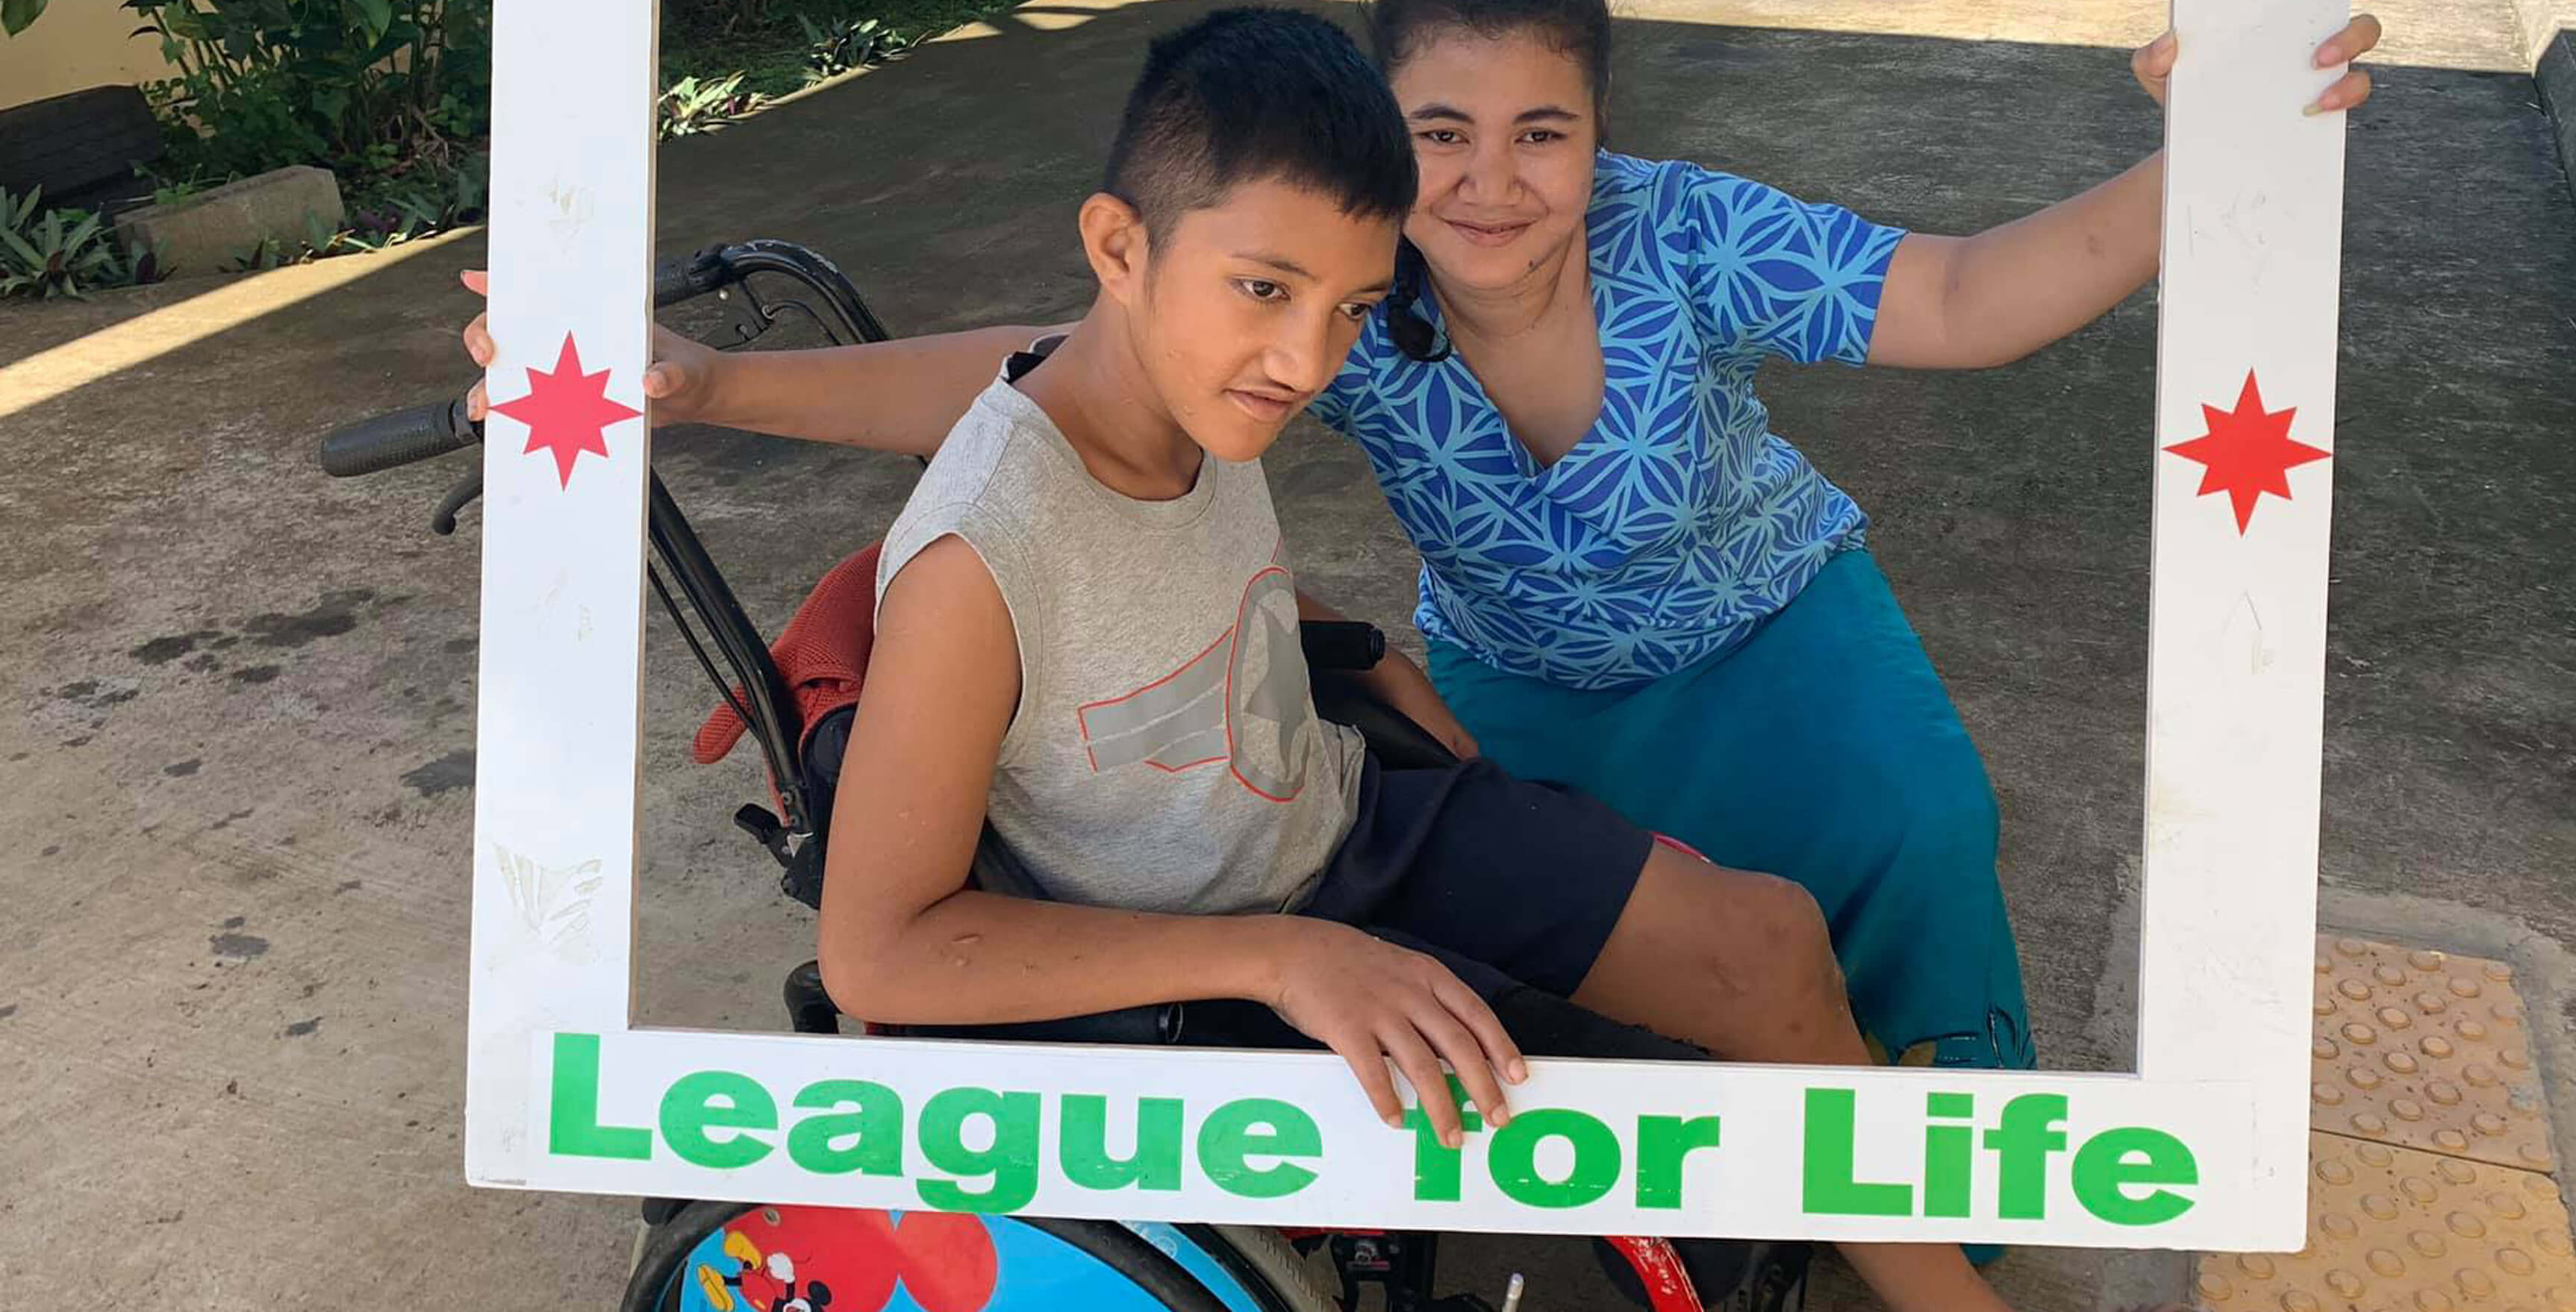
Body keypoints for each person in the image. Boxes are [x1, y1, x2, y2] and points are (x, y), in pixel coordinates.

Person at [458, 1, 2383, 1081]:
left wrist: (2205, 158)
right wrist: (713, 386)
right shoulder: (1342, 295)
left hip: (1770, 622)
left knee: (1913, 849)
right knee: (1627, 991)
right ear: (1384, 143)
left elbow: (1961, 295)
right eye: (1440, 130)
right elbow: (1028, 365)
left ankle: (1931, 1190)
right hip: (1517, 678)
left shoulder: (1679, 236)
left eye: (1544, 130)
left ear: (1601, 135)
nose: (1491, 179)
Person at [764, 9, 2023, 1308]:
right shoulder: (980, 560)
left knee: (1769, 941)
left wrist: (1360, 652)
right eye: (1267, 289)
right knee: (1628, 1118)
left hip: (1346, 816)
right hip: (1204, 947)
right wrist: (1280, 957)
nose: (1306, 361)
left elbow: (1169, 581)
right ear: (1118, 248)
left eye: (1353, 308)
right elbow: (879, 954)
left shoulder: (1189, 396)